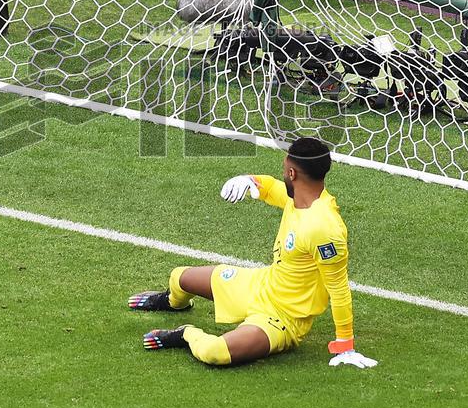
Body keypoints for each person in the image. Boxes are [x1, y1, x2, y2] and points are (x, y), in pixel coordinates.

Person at [128, 137, 376, 368]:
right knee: (179, 278)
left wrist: (345, 345)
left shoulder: (323, 228)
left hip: (282, 319)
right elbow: (271, 188)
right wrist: (250, 179)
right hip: (259, 285)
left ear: (292, 173)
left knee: (215, 353)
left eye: (283, 169)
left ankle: (185, 333)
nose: (282, 174)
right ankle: (174, 304)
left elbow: (339, 288)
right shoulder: (299, 198)